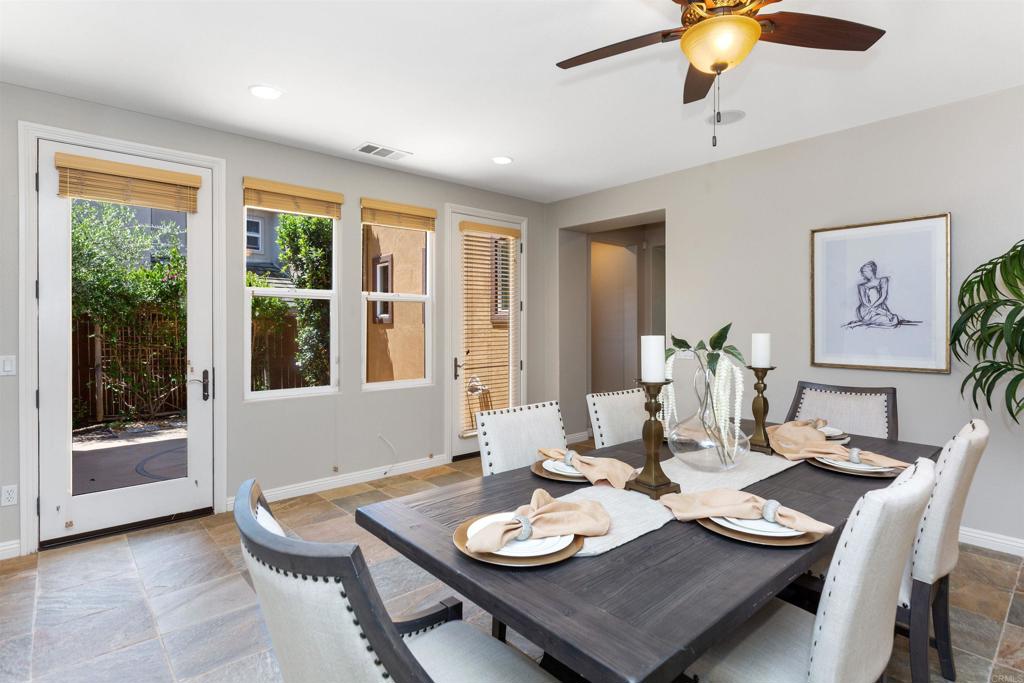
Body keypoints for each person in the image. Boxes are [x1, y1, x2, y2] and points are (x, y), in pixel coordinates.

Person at [844, 261, 918, 328]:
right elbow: (865, 303)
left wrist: (882, 311)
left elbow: (883, 296)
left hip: (880, 309)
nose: (863, 274)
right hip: (867, 311)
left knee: (893, 319)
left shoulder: (883, 280)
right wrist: (882, 312)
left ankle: (868, 321)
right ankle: (867, 321)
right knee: (892, 321)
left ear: (871, 271)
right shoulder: (861, 286)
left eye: (865, 271)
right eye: (862, 272)